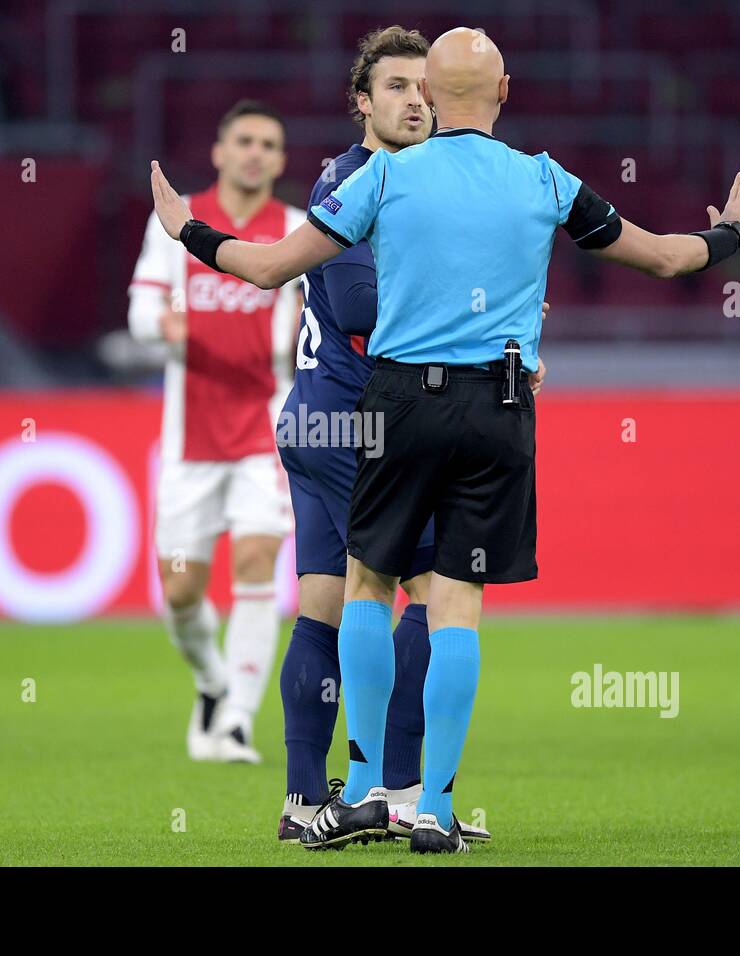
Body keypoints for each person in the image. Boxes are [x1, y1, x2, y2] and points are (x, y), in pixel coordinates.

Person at [148, 27, 740, 851]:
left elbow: (268, 270)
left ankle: (361, 790)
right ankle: (430, 806)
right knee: (454, 606)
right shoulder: (545, 178)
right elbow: (662, 258)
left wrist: (186, 231)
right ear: (505, 89)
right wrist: (730, 236)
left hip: (395, 405)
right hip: (499, 405)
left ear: (433, 99)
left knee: (359, 586)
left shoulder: (384, 176)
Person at [275, 25, 545, 844]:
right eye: (395, 87)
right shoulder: (359, 178)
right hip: (359, 421)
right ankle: (400, 796)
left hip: (323, 415)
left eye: (422, 85)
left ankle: (302, 804)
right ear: (362, 103)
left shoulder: (406, 179)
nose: (415, 100)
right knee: (427, 593)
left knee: (323, 602)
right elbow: (358, 307)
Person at [128, 101, 303, 764]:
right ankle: (210, 681)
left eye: (269, 143)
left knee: (258, 562)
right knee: (179, 594)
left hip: (268, 434)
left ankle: (235, 719)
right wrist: (167, 326)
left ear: (281, 161)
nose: (256, 153)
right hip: (189, 444)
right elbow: (142, 313)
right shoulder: (176, 219)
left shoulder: (294, 229)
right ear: (220, 151)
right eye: (245, 141)